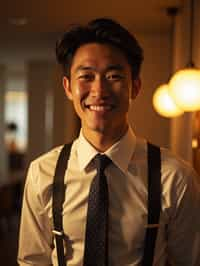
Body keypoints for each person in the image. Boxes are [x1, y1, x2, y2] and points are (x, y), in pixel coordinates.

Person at [18, 18, 200, 266]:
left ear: (135, 87)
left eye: (113, 76)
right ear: (68, 87)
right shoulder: (43, 172)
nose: (99, 90)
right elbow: (32, 261)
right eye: (86, 76)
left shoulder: (175, 176)